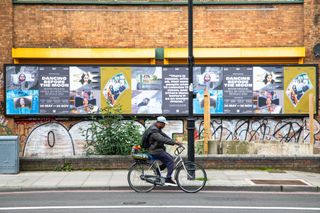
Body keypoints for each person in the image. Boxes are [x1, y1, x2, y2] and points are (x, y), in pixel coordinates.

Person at [145, 116, 182, 186]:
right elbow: (162, 139)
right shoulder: (154, 132)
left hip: (157, 150)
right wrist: (174, 143)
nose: (164, 125)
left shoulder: (157, 129)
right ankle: (168, 179)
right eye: (163, 124)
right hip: (155, 151)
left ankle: (158, 175)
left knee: (171, 158)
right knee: (171, 161)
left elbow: (165, 136)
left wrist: (174, 141)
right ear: (159, 123)